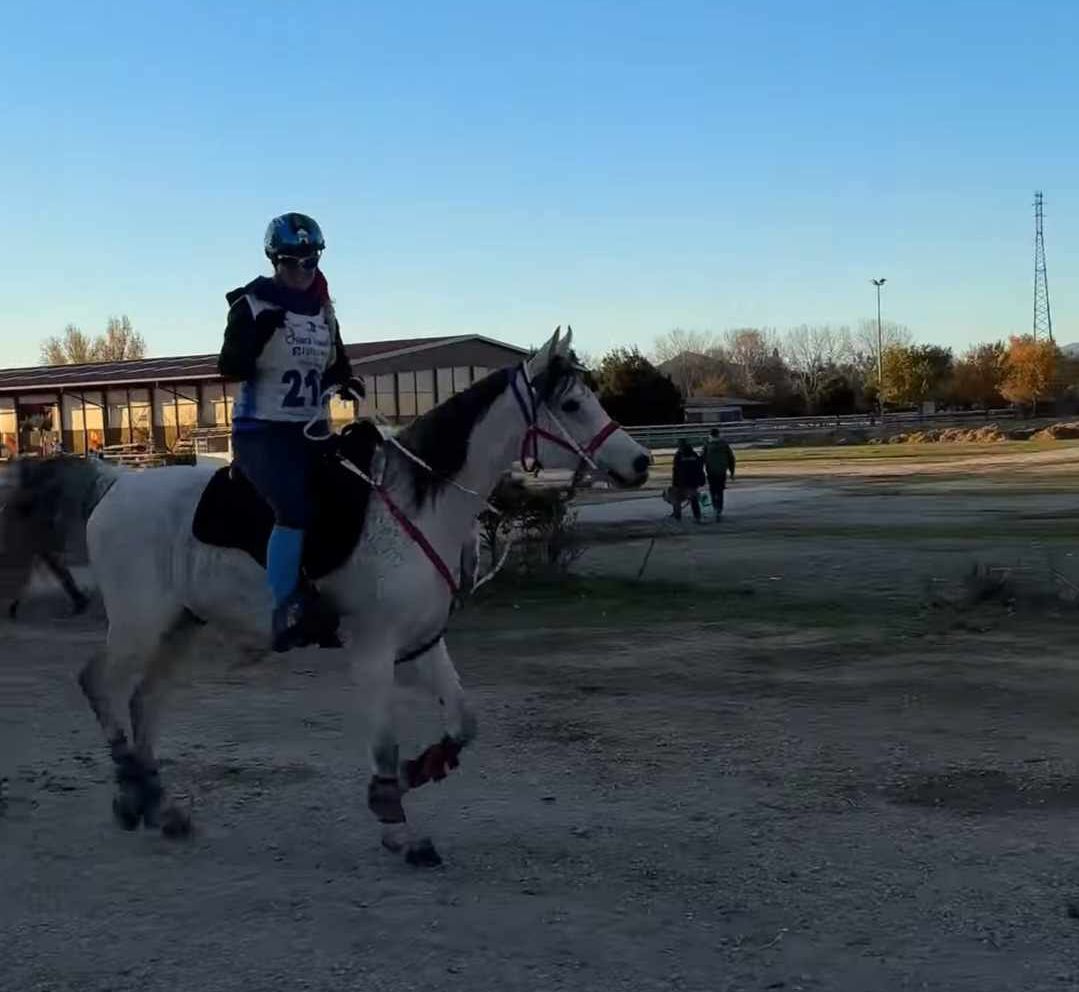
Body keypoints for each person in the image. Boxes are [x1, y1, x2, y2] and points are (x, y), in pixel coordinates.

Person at [217, 212, 365, 652]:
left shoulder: (324, 310)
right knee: (294, 508)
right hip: (261, 432)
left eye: (310, 261)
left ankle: (332, 590)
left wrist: (347, 382)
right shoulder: (252, 305)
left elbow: (336, 364)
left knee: (353, 492)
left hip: (312, 431)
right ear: (274, 261)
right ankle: (285, 608)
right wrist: (254, 341)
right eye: (290, 262)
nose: (302, 271)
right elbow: (229, 367)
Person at [702, 428, 736, 521]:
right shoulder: (724, 444)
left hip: (711, 471)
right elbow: (731, 459)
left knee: (713, 491)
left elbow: (702, 458)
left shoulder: (707, 444)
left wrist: (700, 472)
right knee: (720, 491)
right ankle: (719, 510)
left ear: (710, 435)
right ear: (718, 434)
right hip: (721, 471)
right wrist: (732, 472)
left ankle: (715, 508)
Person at [670, 437, 706, 523]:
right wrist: (701, 480)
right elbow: (699, 468)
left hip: (681, 481)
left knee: (677, 499)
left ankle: (677, 516)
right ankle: (697, 516)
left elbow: (675, 470)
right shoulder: (694, 454)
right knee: (694, 499)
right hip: (693, 481)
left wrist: (674, 483)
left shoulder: (678, 455)